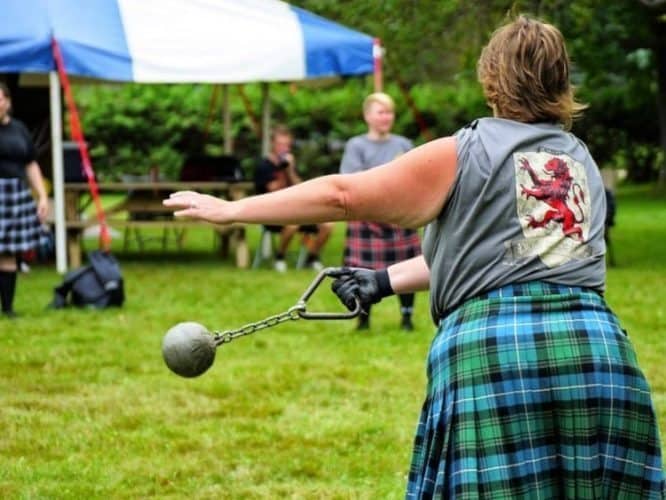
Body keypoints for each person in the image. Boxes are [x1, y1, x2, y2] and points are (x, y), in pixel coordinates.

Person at [164, 15, 664, 498]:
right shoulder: (579, 160)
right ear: (561, 81)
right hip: (596, 352)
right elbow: (508, 261)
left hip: (495, 355)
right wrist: (382, 281)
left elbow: (343, 195)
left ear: (490, 78)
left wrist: (232, 210)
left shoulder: (463, 151)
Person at [340, 92, 422, 331]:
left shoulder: (403, 144)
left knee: (407, 268)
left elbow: (415, 178)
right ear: (367, 116)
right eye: (381, 112)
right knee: (363, 269)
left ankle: (406, 318)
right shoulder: (356, 146)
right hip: (368, 218)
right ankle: (363, 318)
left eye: (390, 112)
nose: (386, 117)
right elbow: (352, 179)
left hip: (399, 217)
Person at [254, 124, 332, 272]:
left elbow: (300, 188)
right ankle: (280, 257)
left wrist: (289, 169)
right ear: (273, 144)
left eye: (287, 145)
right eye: (280, 144)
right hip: (269, 211)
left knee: (327, 224)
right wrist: (282, 170)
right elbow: (274, 190)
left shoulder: (289, 165)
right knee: (293, 224)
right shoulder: (263, 166)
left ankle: (312, 257)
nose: (284, 148)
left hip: (293, 208)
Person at [0, 82, 49, 319]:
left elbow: (30, 162)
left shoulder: (18, 129)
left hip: (15, 194)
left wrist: (41, 195)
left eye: (0, 99)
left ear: (7, 102)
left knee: (9, 252)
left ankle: (8, 309)